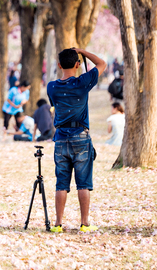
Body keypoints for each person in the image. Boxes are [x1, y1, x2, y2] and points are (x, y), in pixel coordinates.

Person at [47, 48, 106, 233]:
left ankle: (57, 224)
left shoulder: (51, 87)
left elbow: (54, 105)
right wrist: (82, 51)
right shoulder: (83, 82)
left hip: (60, 139)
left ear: (58, 65)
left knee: (61, 183)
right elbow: (102, 64)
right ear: (77, 64)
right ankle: (84, 223)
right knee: (83, 183)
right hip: (81, 136)